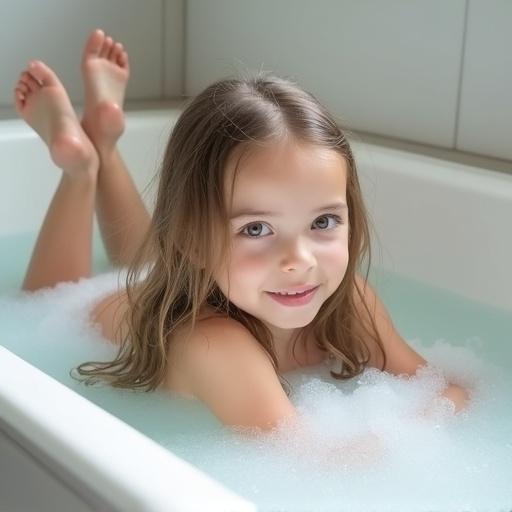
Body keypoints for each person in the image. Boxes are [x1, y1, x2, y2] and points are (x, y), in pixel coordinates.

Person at [14, 29, 470, 433]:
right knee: (47, 294)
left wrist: (425, 415)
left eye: (323, 222)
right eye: (256, 228)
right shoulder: (216, 345)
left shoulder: (353, 303)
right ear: (192, 241)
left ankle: (104, 141)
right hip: (85, 307)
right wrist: (413, 428)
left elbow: (441, 387)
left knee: (144, 259)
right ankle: (80, 168)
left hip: (161, 276)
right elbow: (309, 462)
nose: (300, 259)